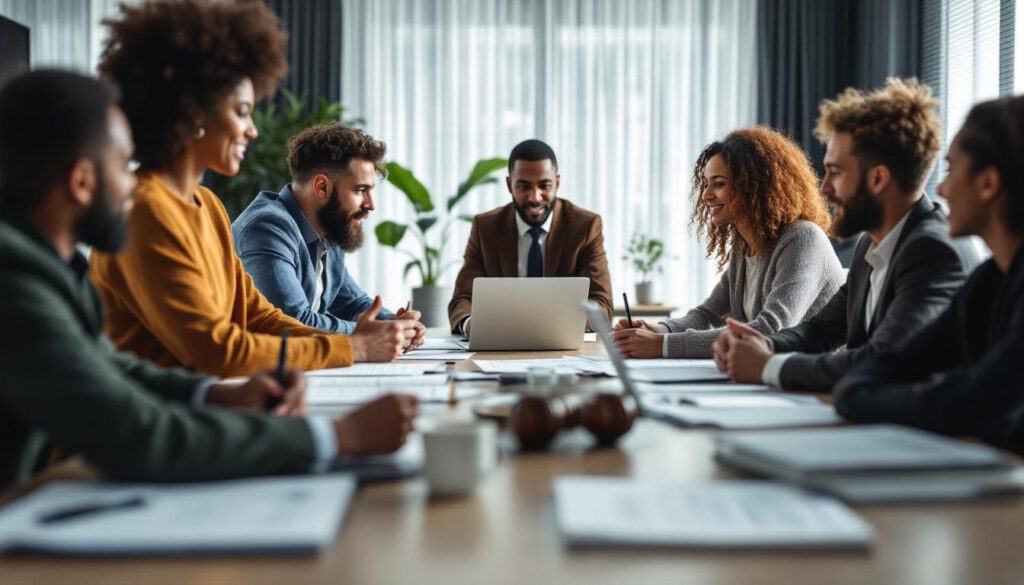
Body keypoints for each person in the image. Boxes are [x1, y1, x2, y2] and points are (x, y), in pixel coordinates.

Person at [0, 69, 418, 489]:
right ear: (81, 181)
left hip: (123, 459)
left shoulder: (204, 208)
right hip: (59, 488)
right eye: (122, 166)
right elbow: (151, 419)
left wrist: (216, 395)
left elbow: (113, 367)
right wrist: (338, 433)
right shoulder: (21, 284)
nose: (131, 184)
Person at [89, 0, 418, 378]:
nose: (252, 130)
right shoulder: (144, 210)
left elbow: (257, 316)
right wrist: (354, 346)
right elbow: (216, 350)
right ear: (193, 110)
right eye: (242, 111)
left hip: (206, 405)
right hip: (153, 424)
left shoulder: (206, 204)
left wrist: (358, 344)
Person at [713, 78, 976, 391]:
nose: (824, 188)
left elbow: (884, 360)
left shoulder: (932, 250)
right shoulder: (873, 241)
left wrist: (768, 366)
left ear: (878, 178)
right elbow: (820, 332)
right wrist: (761, 344)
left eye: (835, 172)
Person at [834, 95, 1024, 454]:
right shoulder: (989, 279)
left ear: (988, 183)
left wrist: (861, 393)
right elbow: (900, 362)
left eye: (951, 169)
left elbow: (970, 401)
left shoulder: (946, 256)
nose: (941, 189)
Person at [612, 127, 843, 358]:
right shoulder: (744, 245)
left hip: (816, 382)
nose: (706, 195)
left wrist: (663, 345)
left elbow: (771, 329)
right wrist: (658, 329)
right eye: (705, 184)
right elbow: (707, 314)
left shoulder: (803, 238)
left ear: (754, 186)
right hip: (770, 374)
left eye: (719, 183)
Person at [232, 123, 425, 341]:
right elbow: (292, 321)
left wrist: (397, 324)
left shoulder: (327, 227)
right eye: (360, 190)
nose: (371, 205)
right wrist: (371, 333)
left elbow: (352, 303)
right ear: (322, 187)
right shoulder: (267, 227)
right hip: (256, 371)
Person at [448, 139, 614, 334]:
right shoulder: (485, 228)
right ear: (510, 184)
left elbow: (602, 305)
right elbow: (462, 300)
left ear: (557, 183)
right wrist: (470, 325)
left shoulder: (585, 226)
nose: (535, 197)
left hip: (562, 344)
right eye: (524, 187)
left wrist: (558, 324)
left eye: (545, 185)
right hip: (501, 342)